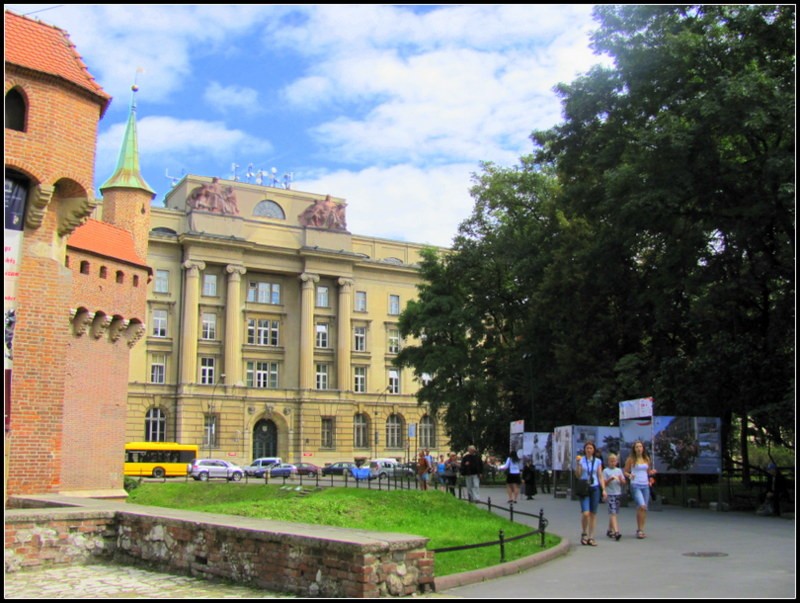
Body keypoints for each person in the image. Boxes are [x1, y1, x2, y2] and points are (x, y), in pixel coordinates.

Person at [575, 440, 606, 546]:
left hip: (595, 487)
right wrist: (578, 465)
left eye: (591, 448)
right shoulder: (581, 460)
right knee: (586, 513)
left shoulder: (597, 461)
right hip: (584, 488)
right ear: (584, 450)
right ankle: (584, 533)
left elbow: (600, 475)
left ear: (593, 450)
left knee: (593, 513)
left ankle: (591, 536)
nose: (589, 450)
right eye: (587, 448)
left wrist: (604, 489)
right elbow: (578, 475)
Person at [624, 440, 656, 539]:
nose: (639, 448)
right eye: (637, 447)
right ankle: (639, 530)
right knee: (641, 505)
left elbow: (648, 471)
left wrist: (651, 473)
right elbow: (625, 471)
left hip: (645, 485)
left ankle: (641, 529)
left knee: (643, 508)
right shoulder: (631, 459)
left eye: (640, 447)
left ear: (643, 448)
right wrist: (630, 475)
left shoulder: (646, 458)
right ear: (634, 449)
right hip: (635, 484)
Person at [602, 453, 625, 540]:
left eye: (614, 461)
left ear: (617, 462)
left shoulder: (619, 470)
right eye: (611, 461)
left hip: (617, 493)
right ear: (608, 462)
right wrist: (610, 479)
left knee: (614, 512)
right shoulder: (605, 471)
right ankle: (616, 531)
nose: (612, 463)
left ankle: (609, 530)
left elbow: (623, 482)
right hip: (610, 494)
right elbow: (604, 483)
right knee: (613, 512)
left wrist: (620, 479)